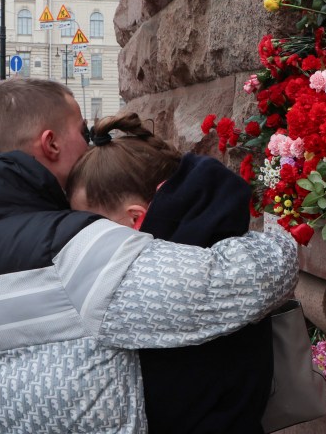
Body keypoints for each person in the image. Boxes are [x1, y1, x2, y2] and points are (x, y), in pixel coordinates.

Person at [0, 78, 298, 434]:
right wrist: (287, 212)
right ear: (50, 144)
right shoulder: (73, 245)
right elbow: (243, 280)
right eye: (81, 132)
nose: (91, 143)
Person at [66, 113, 274, 434]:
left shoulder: (157, 284)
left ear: (136, 219)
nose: (88, 241)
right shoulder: (218, 243)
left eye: (93, 228)